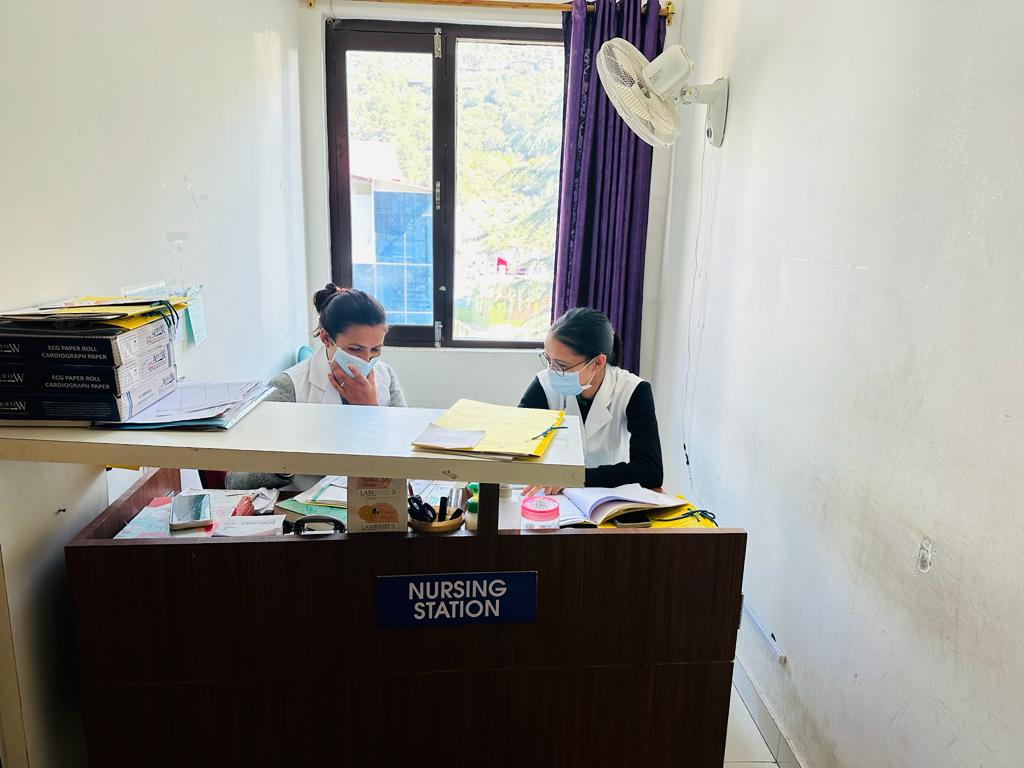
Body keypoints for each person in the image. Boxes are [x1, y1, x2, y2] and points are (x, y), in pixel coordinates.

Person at [226, 284, 405, 490]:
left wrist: (370, 411)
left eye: (375, 350)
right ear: (326, 338)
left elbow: (405, 450)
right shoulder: (288, 387)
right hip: (305, 505)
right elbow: (235, 480)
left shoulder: (385, 376)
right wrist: (285, 462)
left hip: (374, 499)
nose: (366, 360)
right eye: (355, 349)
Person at [518, 307, 663, 496]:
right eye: (549, 360)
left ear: (597, 362)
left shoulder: (633, 391)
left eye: (561, 365)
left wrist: (574, 477)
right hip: (551, 495)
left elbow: (650, 471)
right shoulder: (543, 384)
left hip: (607, 496)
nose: (552, 371)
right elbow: (516, 447)